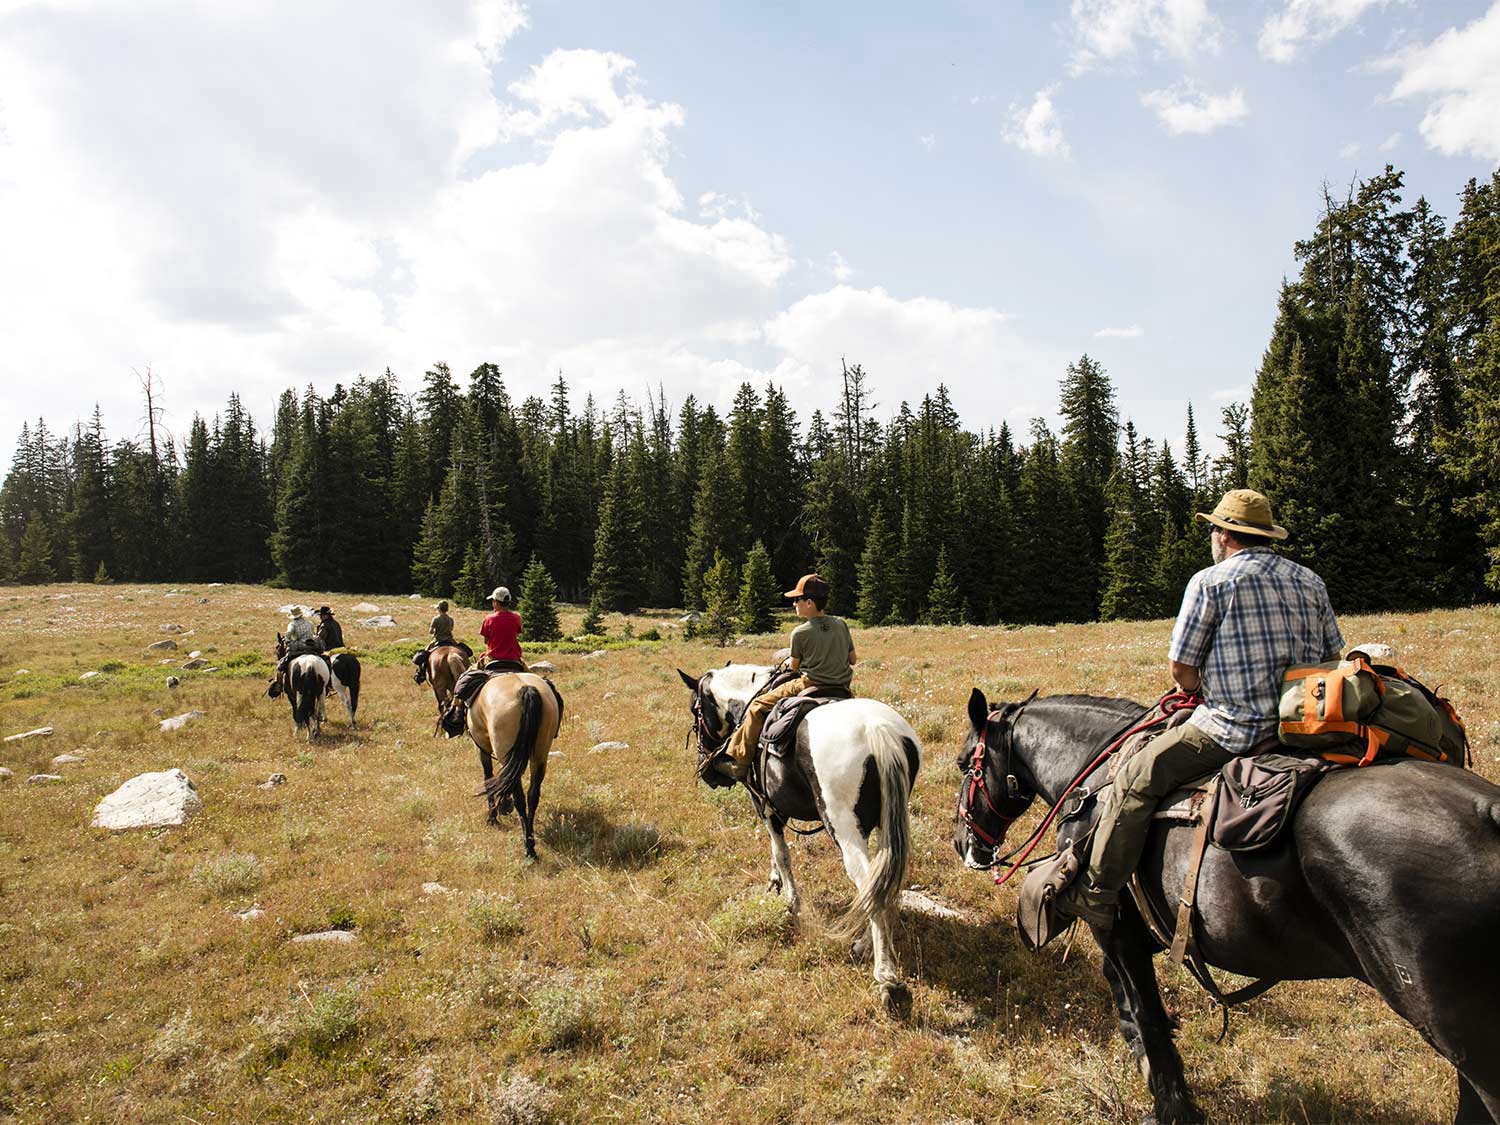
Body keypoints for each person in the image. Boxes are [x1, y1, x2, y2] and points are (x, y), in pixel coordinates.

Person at [1058, 488, 1345, 929]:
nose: (1211, 536)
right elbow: (1333, 657)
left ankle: (1097, 892)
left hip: (1234, 728)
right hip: (1306, 725)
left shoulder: (1211, 582)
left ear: (1225, 535)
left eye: (1214, 528)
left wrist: (1194, 687)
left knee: (1136, 776)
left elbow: (1182, 666)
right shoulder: (1310, 580)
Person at [717, 573, 855, 782]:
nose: (794, 603)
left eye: (797, 599)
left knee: (757, 706)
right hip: (842, 687)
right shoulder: (841, 624)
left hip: (811, 683)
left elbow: (794, 667)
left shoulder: (800, 632)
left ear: (809, 603)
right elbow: (852, 659)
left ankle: (740, 763)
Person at [412, 600, 473, 684]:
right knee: (465, 652)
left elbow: (431, 631)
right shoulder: (450, 619)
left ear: (439, 609)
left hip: (438, 641)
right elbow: (451, 629)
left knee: (424, 655)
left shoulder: (436, 619)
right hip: (450, 641)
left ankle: (420, 673)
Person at [479, 586, 525, 672]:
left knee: (471, 675)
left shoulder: (488, 618)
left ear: (496, 602)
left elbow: (486, 641)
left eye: (493, 601)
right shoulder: (517, 617)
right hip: (514, 658)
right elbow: (517, 633)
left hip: (493, 658)